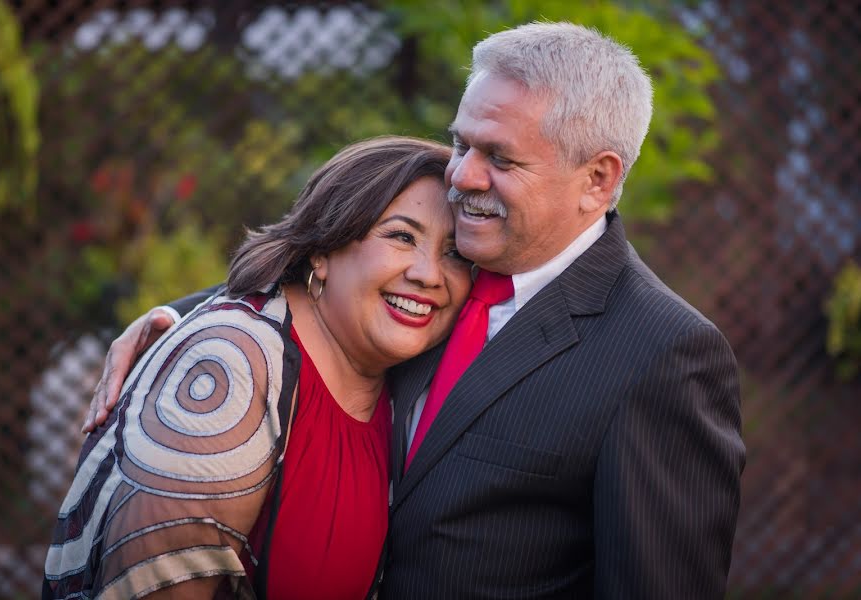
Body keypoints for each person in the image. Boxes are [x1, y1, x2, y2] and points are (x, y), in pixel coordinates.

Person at [84, 22, 745, 599]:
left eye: (499, 158)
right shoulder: (447, 281)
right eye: (462, 144)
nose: (463, 176)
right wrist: (181, 321)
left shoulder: (661, 355)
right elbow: (332, 272)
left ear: (597, 179)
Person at [44, 136, 472, 599]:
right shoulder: (233, 367)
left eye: (454, 253)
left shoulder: (405, 375)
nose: (429, 274)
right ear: (323, 251)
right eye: (401, 236)